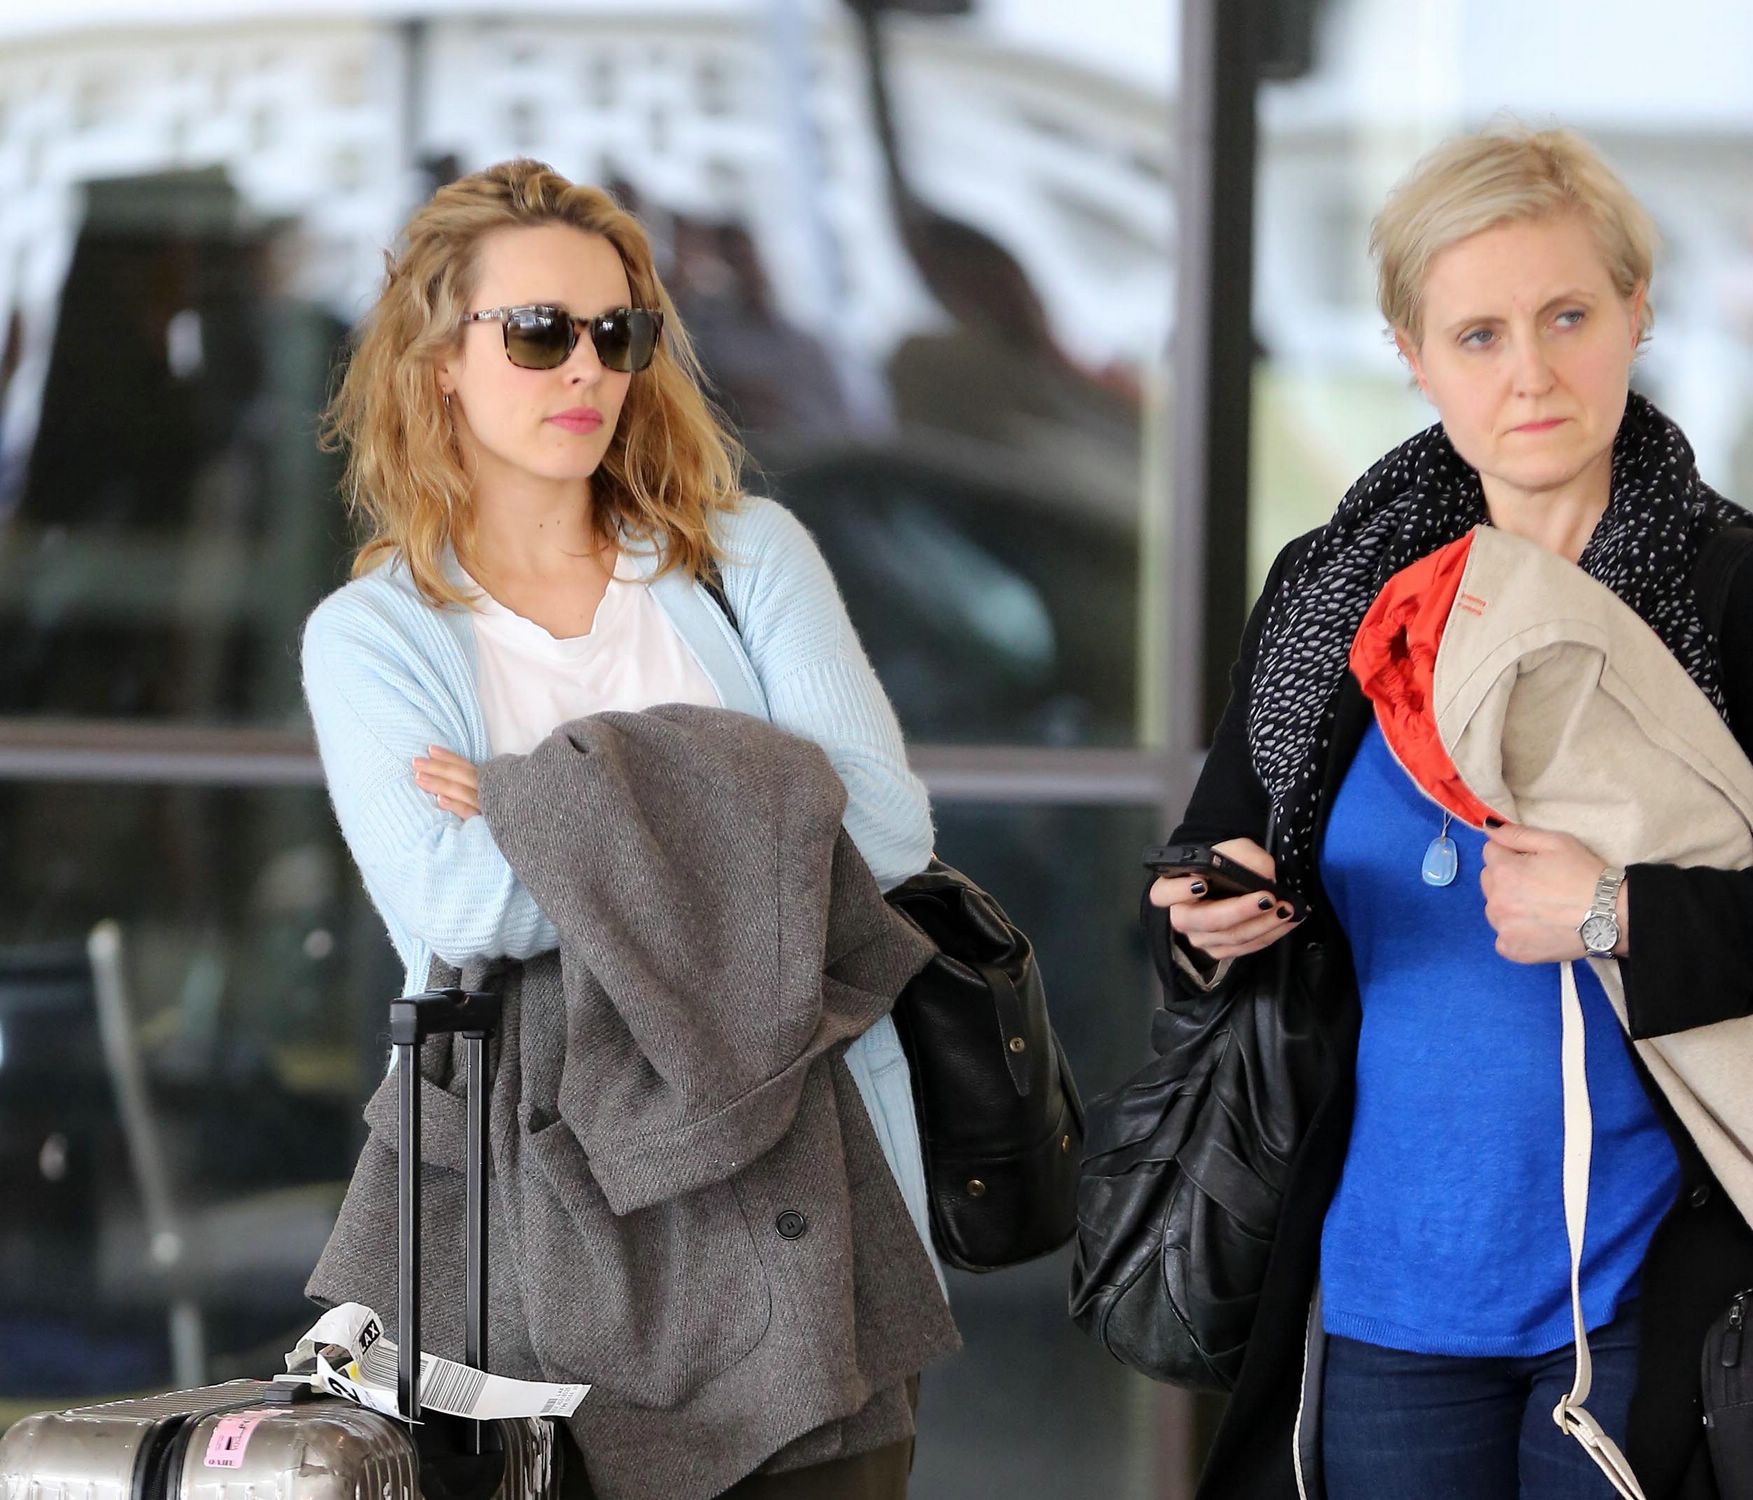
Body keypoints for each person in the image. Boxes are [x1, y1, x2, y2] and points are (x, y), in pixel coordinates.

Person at [301, 158, 953, 1497]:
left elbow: (883, 833)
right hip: (529, 1226)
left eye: (620, 332)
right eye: (541, 332)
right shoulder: (373, 636)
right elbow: (459, 906)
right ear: (440, 359)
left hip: (808, 1191)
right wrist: (758, 801)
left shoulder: (745, 556)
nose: (588, 369)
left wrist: (542, 793)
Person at [1148, 125, 1753, 1499]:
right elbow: (1212, 867)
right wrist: (1205, 916)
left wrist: (1615, 912)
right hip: (1383, 1294)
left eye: (1566, 316)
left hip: (1644, 1296)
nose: (1530, 372)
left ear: (1636, 313)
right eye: (1477, 335)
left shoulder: (1728, 597)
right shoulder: (1332, 593)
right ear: (1412, 357)